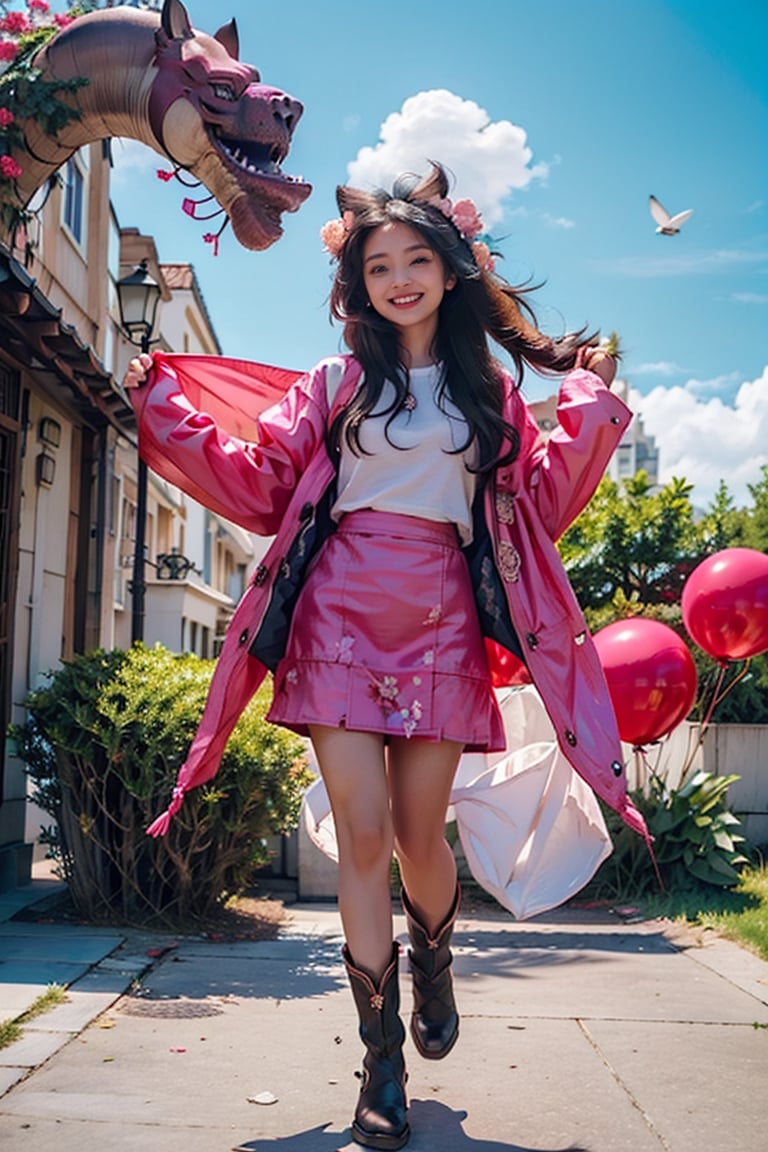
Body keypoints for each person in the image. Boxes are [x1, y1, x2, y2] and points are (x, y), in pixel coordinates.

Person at [124, 161, 646, 1151]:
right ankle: (382, 1065)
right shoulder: (331, 385)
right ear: (356, 281)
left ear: (450, 271)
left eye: (416, 259)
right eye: (378, 264)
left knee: (418, 838)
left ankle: (435, 955)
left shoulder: (487, 391)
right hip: (333, 618)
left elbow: (538, 507)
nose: (398, 277)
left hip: (443, 620)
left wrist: (591, 412)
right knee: (362, 836)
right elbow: (257, 481)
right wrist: (166, 410)